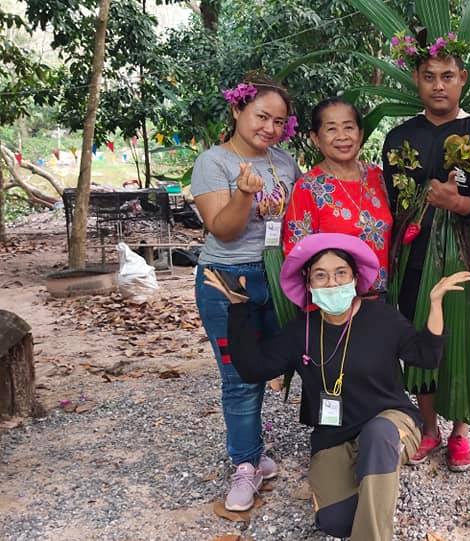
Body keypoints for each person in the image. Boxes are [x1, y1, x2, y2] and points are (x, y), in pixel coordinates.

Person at [203, 233, 470, 540]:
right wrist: (239, 310)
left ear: (355, 278)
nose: (332, 283)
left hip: (392, 423)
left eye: (340, 273)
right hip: (334, 435)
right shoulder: (301, 331)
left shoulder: (382, 317)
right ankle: (370, 480)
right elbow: (254, 369)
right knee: (336, 522)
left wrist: (435, 305)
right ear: (308, 284)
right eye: (321, 275)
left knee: (378, 436)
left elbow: (425, 357)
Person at [382, 37, 470, 471]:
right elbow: (392, 204)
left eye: (447, 76)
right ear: (416, 80)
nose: (439, 85)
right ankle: (430, 428)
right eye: (429, 77)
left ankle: (460, 433)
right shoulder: (399, 137)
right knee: (421, 339)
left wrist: (461, 204)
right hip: (414, 258)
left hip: (468, 258)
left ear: (462, 79)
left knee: (464, 341)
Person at [192, 74, 299, 511]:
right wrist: (242, 194)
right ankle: (244, 464)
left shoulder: (285, 163)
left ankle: (256, 452)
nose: (269, 128)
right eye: (261, 116)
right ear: (237, 109)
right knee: (239, 377)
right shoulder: (213, 162)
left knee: (276, 364)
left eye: (279, 121)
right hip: (227, 280)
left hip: (277, 276)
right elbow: (224, 229)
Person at [283, 98, 392, 293]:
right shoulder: (308, 187)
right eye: (331, 129)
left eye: (349, 127)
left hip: (382, 296)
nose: (342, 136)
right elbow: (297, 254)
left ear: (360, 134)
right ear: (316, 138)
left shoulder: (377, 176)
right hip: (335, 299)